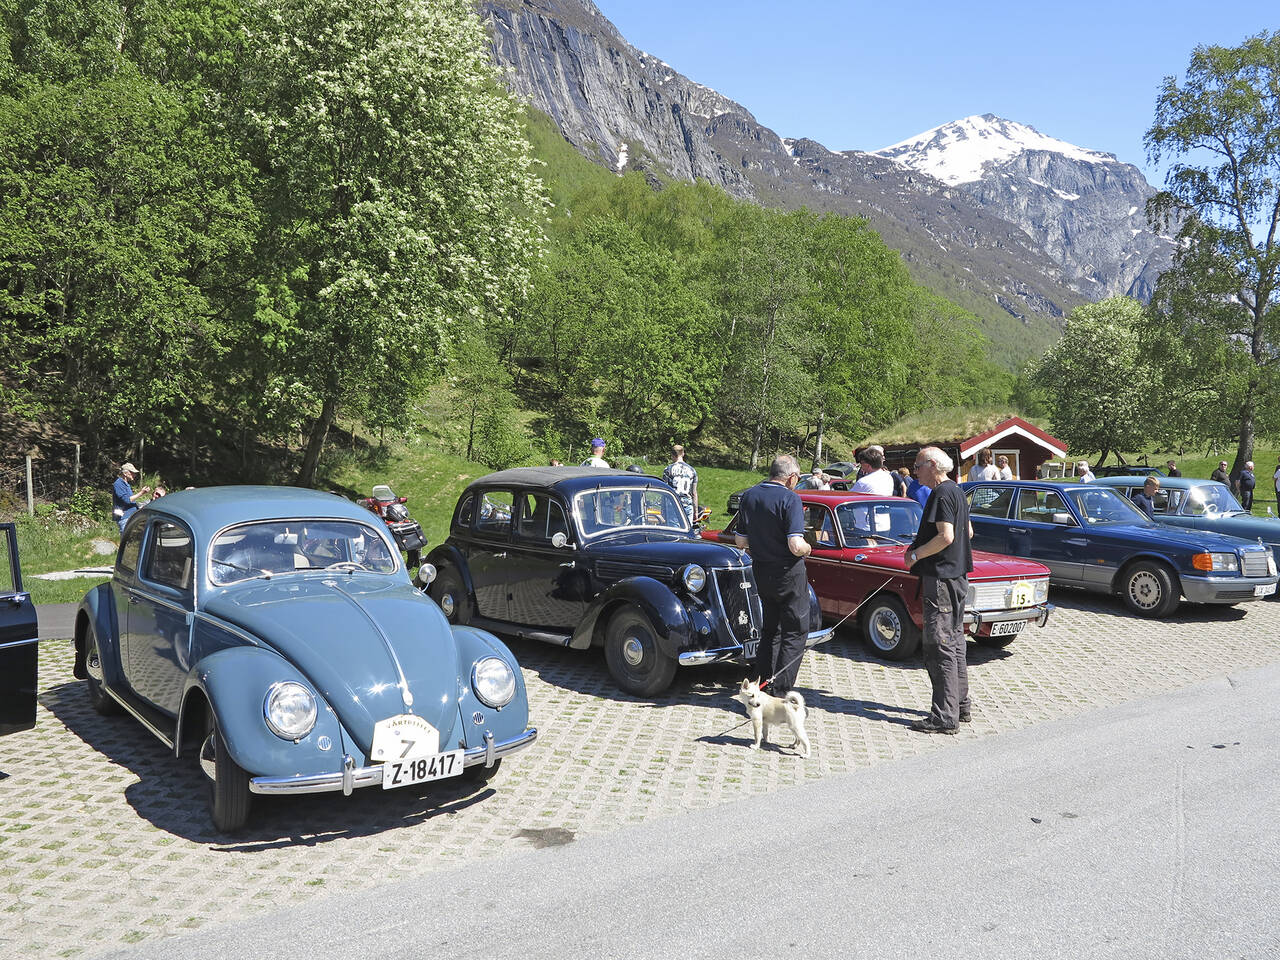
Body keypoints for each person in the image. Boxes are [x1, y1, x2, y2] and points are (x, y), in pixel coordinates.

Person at [906, 446, 974, 734]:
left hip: (943, 580)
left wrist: (917, 554)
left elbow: (947, 536)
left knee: (939, 645)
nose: (915, 471)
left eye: (919, 465)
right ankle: (960, 705)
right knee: (956, 642)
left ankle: (945, 717)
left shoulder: (942, 493)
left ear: (933, 465)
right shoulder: (957, 490)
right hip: (957, 577)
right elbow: (967, 532)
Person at [734, 454, 812, 697]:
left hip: (761, 570)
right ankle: (780, 691)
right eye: (797, 479)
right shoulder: (791, 499)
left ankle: (763, 683)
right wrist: (809, 548)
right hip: (788, 572)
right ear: (791, 477)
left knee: (770, 629)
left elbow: (741, 541)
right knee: (795, 631)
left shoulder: (749, 495)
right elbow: (796, 545)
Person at [661, 445, 699, 523]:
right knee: (687, 532)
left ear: (672, 455)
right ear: (683, 454)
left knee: (675, 532)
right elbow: (694, 493)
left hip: (673, 505)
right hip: (687, 504)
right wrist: (696, 511)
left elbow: (664, 491)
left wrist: (662, 510)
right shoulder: (692, 470)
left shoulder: (668, 470)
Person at [111, 462, 150, 532]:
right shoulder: (118, 484)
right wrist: (141, 493)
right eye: (132, 472)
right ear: (125, 473)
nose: (134, 475)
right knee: (126, 541)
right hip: (124, 518)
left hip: (129, 517)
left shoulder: (126, 484)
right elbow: (127, 500)